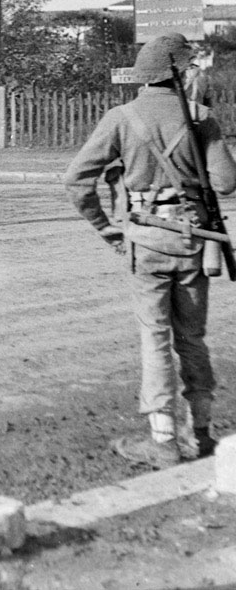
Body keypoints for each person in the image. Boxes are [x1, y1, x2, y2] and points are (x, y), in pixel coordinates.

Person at [63, 32, 236, 469]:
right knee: (192, 337)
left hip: (145, 243)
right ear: (181, 71)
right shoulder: (200, 117)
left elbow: (76, 181)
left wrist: (108, 230)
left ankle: (162, 441)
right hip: (194, 243)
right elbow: (227, 183)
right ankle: (201, 432)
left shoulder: (121, 117)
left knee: (154, 337)